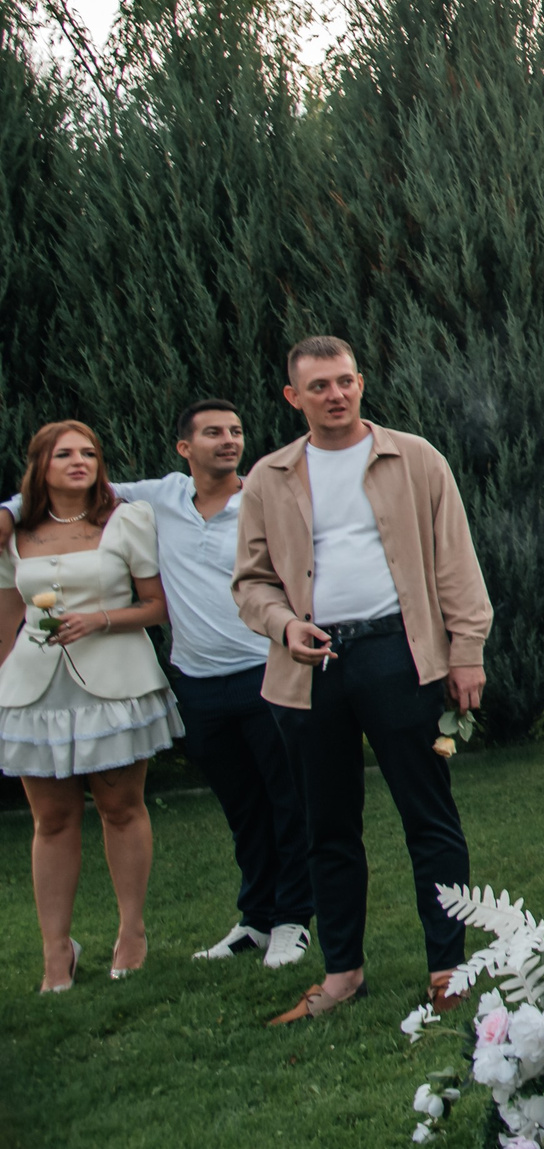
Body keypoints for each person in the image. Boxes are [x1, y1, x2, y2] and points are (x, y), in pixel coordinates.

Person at [234, 336, 493, 1026]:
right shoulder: (269, 477)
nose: (336, 394)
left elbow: (456, 560)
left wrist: (466, 650)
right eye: (318, 385)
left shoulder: (413, 458)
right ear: (294, 396)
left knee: (429, 815)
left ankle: (448, 967)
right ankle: (343, 971)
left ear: (361, 381)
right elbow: (251, 580)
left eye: (345, 380)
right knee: (327, 826)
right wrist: (283, 624)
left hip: (398, 655)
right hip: (309, 665)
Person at [1, 400, 315, 970]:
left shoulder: (266, 497)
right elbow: (76, 486)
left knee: (287, 801)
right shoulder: (160, 498)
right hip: (198, 678)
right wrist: (8, 509)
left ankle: (294, 920)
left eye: (237, 431)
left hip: (267, 668)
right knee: (242, 808)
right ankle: (256, 919)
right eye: (214, 432)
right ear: (183, 448)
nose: (229, 440)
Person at [0, 420, 178, 991]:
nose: (80, 461)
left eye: (90, 452)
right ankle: (57, 951)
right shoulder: (13, 532)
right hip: (35, 691)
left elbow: (156, 606)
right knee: (50, 819)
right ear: (40, 466)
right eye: (64, 454)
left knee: (121, 807)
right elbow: (7, 613)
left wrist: (100, 618)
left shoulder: (127, 520)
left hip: (116, 682)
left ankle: (132, 932)